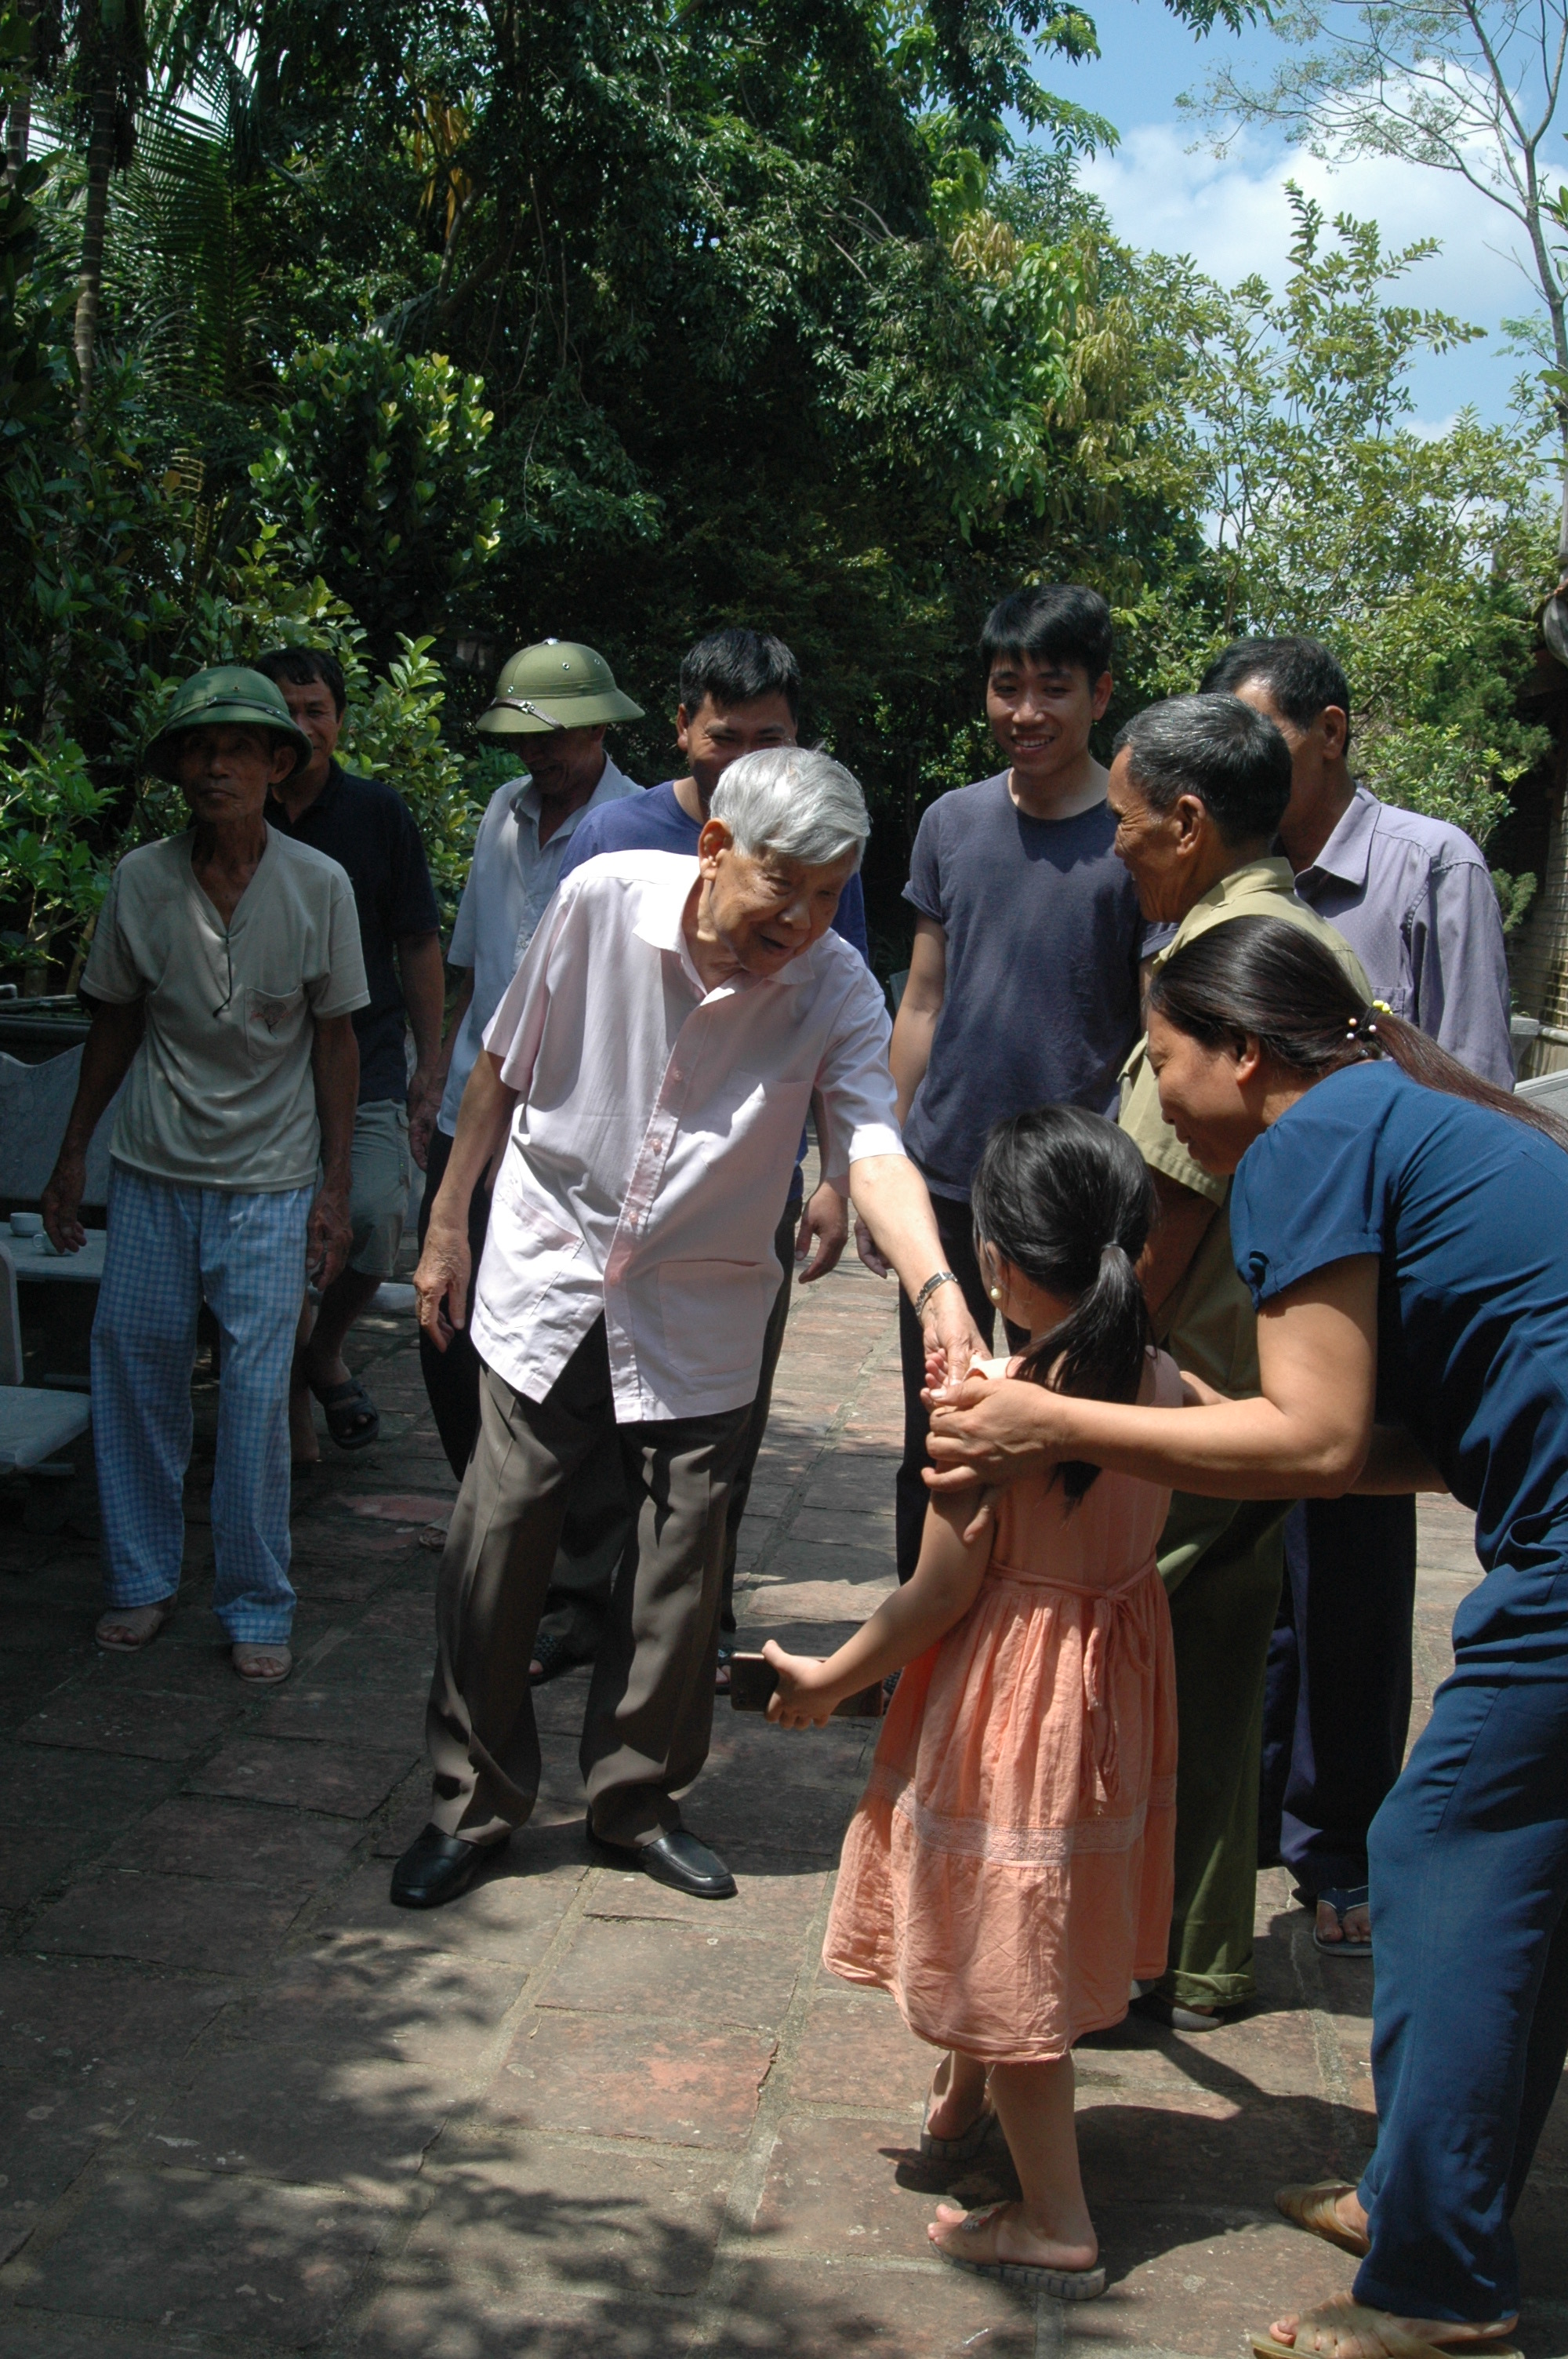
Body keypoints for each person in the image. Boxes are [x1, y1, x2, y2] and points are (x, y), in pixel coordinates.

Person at [924, 913, 1568, 2359]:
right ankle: (1425, 2196)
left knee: (1437, 1850)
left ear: (1246, 1053)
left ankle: (1440, 2291)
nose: (1158, 1105)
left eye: (1162, 1062)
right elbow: (1389, 1446)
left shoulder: (1306, 1138)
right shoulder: (1408, 1116)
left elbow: (1320, 1438)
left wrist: (1048, 1417)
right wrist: (1204, 1422)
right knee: (1529, 1866)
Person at [391, 747, 984, 1912]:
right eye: (788, 886)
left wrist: (936, 1287)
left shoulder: (838, 988)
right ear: (716, 850)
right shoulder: (600, 905)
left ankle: (636, 1800)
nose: (808, 920)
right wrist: (448, 1225)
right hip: (550, 1271)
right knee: (497, 1542)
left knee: (681, 1566)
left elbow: (869, 1142)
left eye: (833, 894)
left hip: (704, 1298)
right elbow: (501, 1069)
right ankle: (472, 1801)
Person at [764, 1107, 1181, 2296]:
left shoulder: (993, 1418)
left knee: (1009, 1953)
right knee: (1027, 1911)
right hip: (1111, 1694)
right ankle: (961, 2096)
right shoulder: (1166, 1387)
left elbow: (933, 1599)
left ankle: (1055, 2217)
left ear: (995, 1264)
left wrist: (827, 1681)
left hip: (1015, 1707)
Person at [1201, 635, 1515, 1959]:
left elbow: (1475, 1077)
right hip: (1248, 1249)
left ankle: (1341, 1834)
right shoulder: (1212, 860)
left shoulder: (1427, 863)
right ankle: (1261, 1806)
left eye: (1262, 736)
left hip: (1379, 1260)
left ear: (1329, 733)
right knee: (1247, 1553)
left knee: (1352, 1553)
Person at [1107, 693, 1368, 2028]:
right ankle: (1195, 1954)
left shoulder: (1221, 965)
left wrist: (1076, 1381)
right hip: (1253, 1378)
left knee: (1117, 1666)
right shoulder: (1298, 942)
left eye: (1128, 823)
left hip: (1192, 1390)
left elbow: (1166, 1214)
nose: (1119, 848)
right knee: (1212, 1683)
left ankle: (1113, 1946)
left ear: (1191, 823)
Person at [40, 667, 368, 1685]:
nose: (216, 764)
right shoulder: (142, 879)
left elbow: (336, 1043)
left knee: (260, 1396)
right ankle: (142, 1580)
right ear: (179, 767)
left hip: (271, 1179)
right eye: (197, 747)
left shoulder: (320, 885)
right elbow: (115, 1021)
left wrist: (335, 1187)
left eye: (240, 748)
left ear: (281, 766)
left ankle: (256, 1598)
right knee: (134, 1373)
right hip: (151, 1170)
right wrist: (71, 1152)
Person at [560, 627, 869, 1686]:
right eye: (723, 737)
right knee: (586, 1418)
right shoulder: (611, 843)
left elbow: (843, 1019)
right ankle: (583, 1600)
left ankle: (691, 1617)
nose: (742, 758)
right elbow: (543, 1020)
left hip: (740, 1200)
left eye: (769, 738)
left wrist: (836, 1174)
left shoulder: (824, 851)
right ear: (684, 725)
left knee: (710, 1428)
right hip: (596, 1195)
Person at [887, 584, 1148, 1580]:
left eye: (1052, 687)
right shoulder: (950, 822)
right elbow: (921, 998)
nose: (1025, 711)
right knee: (939, 1421)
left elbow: (1147, 1024)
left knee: (1065, 1422)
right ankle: (921, 1632)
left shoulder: (1132, 836)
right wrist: (884, 1160)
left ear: (1099, 694)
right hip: (949, 1173)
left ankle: (1037, 1613)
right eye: (1006, 687)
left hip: (1067, 1190)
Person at [408, 638, 644, 1478]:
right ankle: (478, 1493)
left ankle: (550, 1527)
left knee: (555, 1332)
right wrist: (435, 1069)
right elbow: (475, 958)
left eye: (553, 735)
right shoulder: (502, 810)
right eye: (523, 737)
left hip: (568, 1122)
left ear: (600, 729)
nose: (534, 752)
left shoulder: (639, 829)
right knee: (444, 1313)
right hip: (473, 1104)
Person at [249, 647, 444, 1461]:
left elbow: (418, 941)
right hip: (257, 1072)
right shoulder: (229, 811)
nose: (301, 726)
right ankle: (291, 1393)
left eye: (315, 709)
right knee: (271, 1240)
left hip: (364, 1059)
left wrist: (429, 1062)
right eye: (284, 710)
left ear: (339, 720)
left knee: (369, 1217)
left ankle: (320, 1349)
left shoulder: (377, 814)